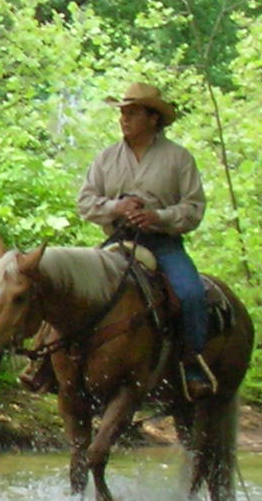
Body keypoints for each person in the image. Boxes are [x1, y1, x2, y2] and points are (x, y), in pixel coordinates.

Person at [75, 81, 215, 398]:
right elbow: (85, 202)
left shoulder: (179, 159)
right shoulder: (105, 158)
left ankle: (192, 363)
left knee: (191, 293)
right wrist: (116, 207)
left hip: (162, 244)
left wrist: (159, 217)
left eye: (132, 113)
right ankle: (52, 365)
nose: (124, 119)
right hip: (117, 243)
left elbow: (194, 208)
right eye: (122, 113)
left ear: (153, 119)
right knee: (77, 286)